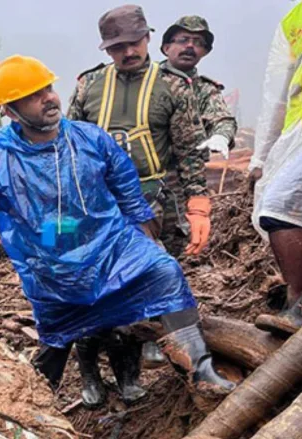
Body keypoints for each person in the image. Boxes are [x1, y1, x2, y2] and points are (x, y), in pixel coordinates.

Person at [0, 55, 235, 409]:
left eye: (49, 89)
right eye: (34, 95)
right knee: (57, 339)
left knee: (164, 272)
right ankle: (28, 408)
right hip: (55, 269)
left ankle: (202, 373)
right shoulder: (1, 164)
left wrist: (143, 232)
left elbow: (125, 183)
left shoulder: (89, 139)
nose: (50, 98)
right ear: (11, 111)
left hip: (111, 249)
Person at [68, 4, 213, 376]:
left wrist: (198, 203)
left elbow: (189, 150)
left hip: (158, 195)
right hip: (102, 202)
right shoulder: (89, 86)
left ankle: (181, 357)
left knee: (160, 272)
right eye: (118, 47)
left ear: (148, 38)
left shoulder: (172, 86)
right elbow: (70, 148)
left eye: (134, 43)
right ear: (106, 49)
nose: (128, 52)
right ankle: (118, 363)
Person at [249, 0, 302, 336]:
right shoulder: (296, 19)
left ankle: (299, 302)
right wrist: (261, 156)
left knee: (281, 206)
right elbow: (276, 95)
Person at [161, 16, 237, 159]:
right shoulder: (148, 81)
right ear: (166, 48)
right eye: (183, 40)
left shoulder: (205, 90)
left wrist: (221, 136)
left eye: (198, 42)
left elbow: (222, 119)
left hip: (188, 174)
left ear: (205, 52)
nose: (190, 46)